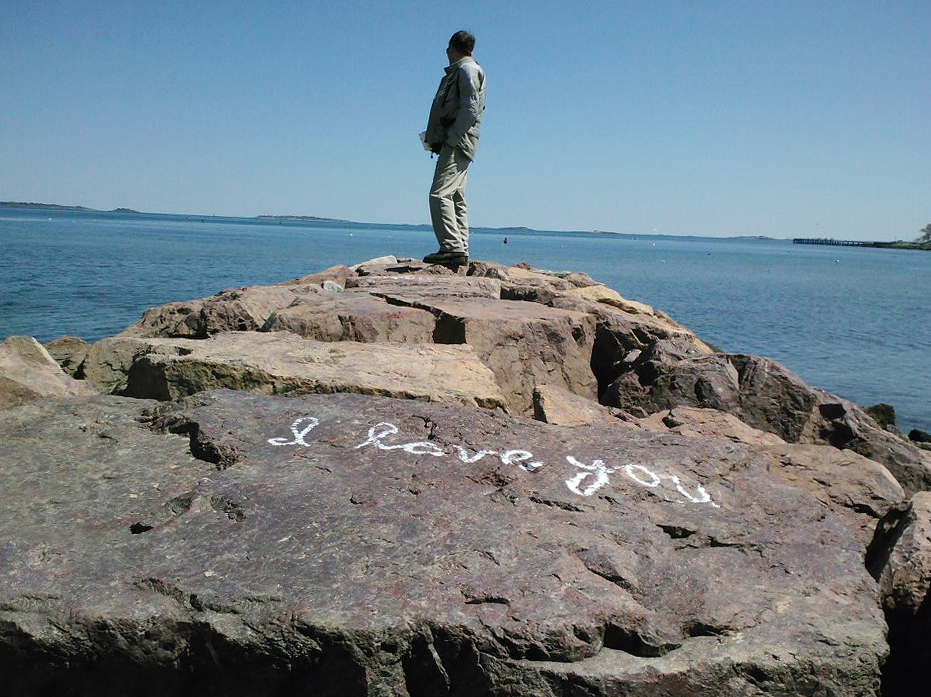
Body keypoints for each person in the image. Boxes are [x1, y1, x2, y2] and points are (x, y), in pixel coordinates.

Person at [422, 30, 486, 266]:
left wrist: (451, 138)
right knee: (456, 196)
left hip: (458, 142)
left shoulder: (466, 70)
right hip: (462, 142)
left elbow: (469, 110)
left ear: (451, 48)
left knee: (438, 194)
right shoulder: (466, 70)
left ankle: (451, 247)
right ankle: (460, 248)